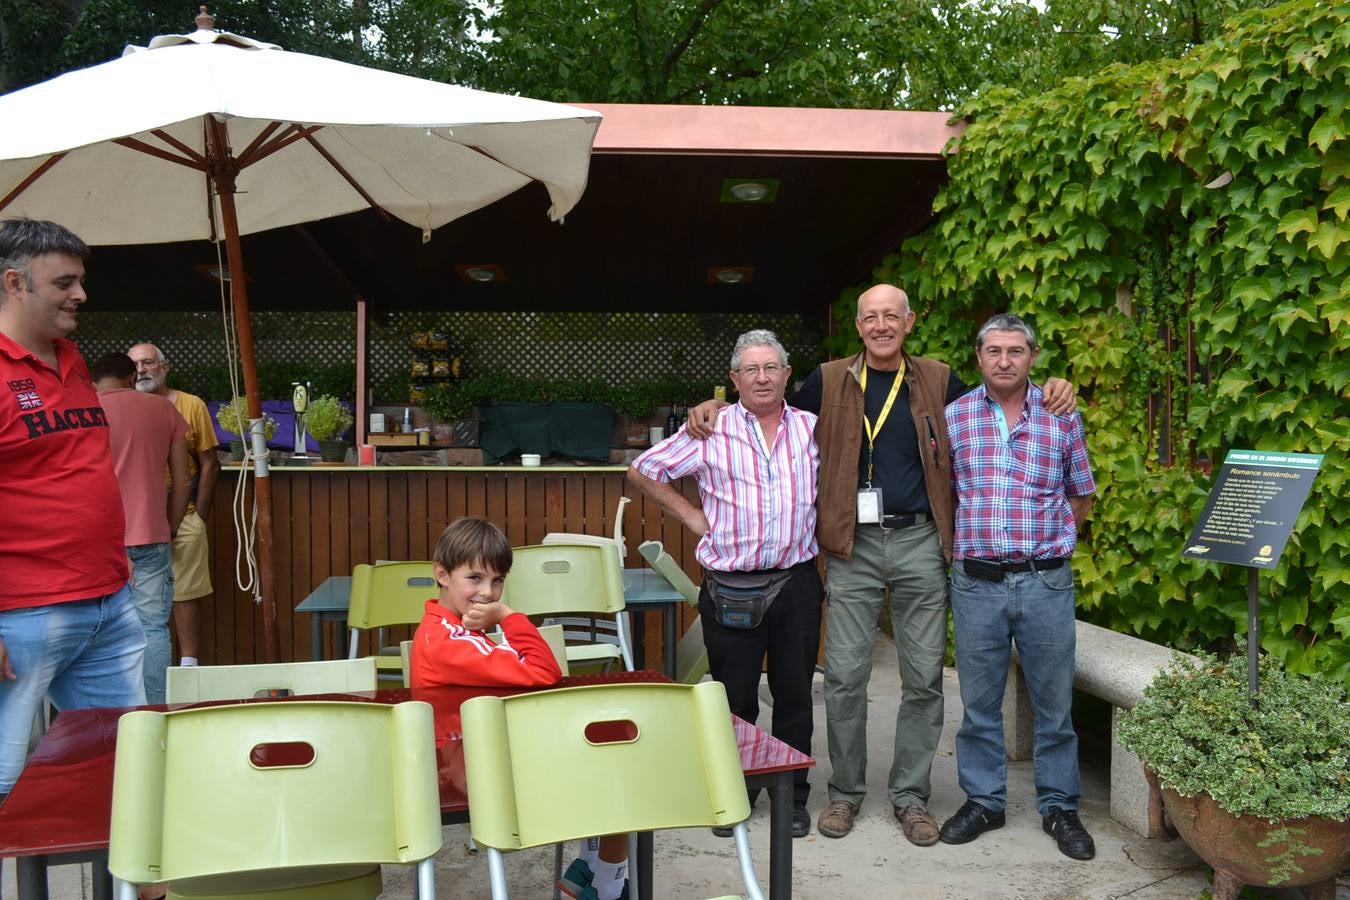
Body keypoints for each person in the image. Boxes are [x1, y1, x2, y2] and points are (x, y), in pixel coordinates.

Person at [686, 284, 1075, 845]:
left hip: (920, 541)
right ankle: (845, 795)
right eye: (871, 317)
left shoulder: (940, 379)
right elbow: (769, 405)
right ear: (859, 325)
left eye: (891, 315)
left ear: (909, 322)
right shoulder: (827, 379)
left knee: (922, 679)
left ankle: (911, 797)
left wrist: (1055, 386)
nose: (881, 325)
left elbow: (1002, 395)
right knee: (844, 677)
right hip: (853, 545)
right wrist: (716, 404)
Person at [628, 329, 822, 840]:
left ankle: (793, 795)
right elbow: (643, 469)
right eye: (751, 369)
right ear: (734, 380)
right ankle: (736, 789)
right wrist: (691, 514)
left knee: (795, 695)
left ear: (786, 375)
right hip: (731, 587)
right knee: (735, 699)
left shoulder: (812, 428)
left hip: (797, 583)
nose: (762, 377)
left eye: (771, 367)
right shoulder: (709, 430)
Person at [939, 313, 1096, 860]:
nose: (1004, 360)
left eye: (1015, 351)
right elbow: (946, 497)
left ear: (1032, 357)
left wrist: (1050, 543)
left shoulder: (1061, 416)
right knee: (979, 705)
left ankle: (1059, 807)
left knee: (1054, 706)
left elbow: (1081, 493)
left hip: (1044, 583)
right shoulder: (954, 418)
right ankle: (985, 801)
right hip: (976, 584)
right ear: (978, 358)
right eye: (993, 351)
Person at [0, 218, 146, 797]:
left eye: (80, 280)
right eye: (64, 282)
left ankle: (137, 887)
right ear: (15, 282)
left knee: (125, 772)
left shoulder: (73, 360)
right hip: (24, 614)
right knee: (6, 783)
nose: (80, 295)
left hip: (108, 601)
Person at [410, 517, 626, 900]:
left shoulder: (443, 628)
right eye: (474, 578)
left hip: (470, 756)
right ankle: (610, 888)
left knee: (603, 752)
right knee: (617, 768)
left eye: (497, 581)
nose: (488, 592)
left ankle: (590, 867)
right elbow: (546, 672)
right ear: (442, 574)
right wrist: (509, 617)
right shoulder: (450, 641)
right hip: (472, 773)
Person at [91, 352, 192, 704]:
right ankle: (154, 712)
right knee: (151, 628)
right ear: (132, 376)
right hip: (151, 534)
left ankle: (97, 717)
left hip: (96, 541)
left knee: (92, 631)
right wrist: (172, 525)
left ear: (94, 381)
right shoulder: (163, 410)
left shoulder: (82, 413)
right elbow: (182, 482)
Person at [127, 342, 219, 667]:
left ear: (165, 367)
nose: (141, 370)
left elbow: (210, 462)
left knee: (185, 594)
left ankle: (189, 666)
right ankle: (145, 670)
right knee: (137, 599)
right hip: (137, 517)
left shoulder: (191, 405)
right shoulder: (126, 406)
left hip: (186, 511)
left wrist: (201, 514)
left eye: (148, 363)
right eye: (135, 364)